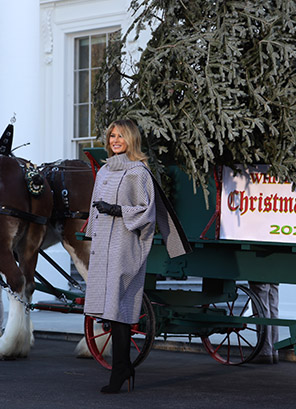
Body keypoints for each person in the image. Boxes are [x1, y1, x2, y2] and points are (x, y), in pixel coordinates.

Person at [83, 119, 191, 394]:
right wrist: (91, 233)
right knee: (110, 308)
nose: (114, 140)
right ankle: (123, 368)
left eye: (120, 136)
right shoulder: (105, 170)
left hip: (124, 243)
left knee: (119, 306)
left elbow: (146, 210)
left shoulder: (138, 172)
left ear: (131, 139)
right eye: (111, 136)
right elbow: (95, 210)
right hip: (103, 245)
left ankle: (121, 369)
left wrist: (117, 210)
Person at [249, 281, 279, 364]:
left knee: (262, 306)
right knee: (273, 306)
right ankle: (273, 351)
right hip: (275, 270)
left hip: (260, 271)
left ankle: (265, 352)